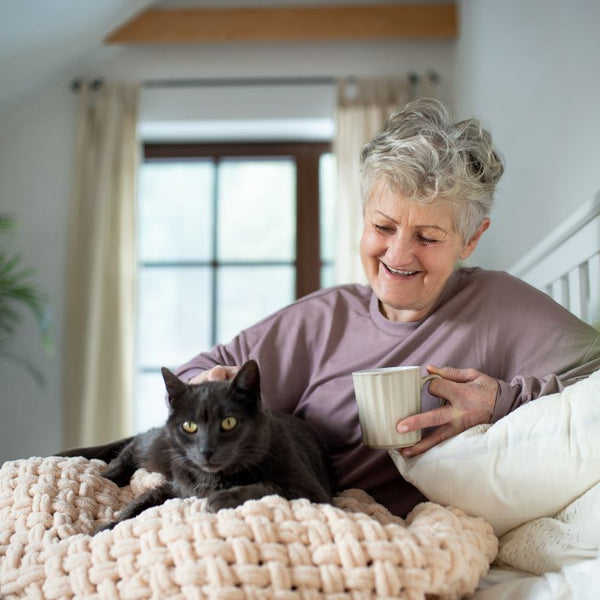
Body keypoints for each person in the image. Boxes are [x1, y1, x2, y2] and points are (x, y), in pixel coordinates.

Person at [175, 98, 600, 518]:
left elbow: (592, 379)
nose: (398, 254)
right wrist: (209, 386)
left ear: (471, 239)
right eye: (383, 226)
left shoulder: (501, 305)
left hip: (404, 530)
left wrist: (502, 402)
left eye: (428, 237)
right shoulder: (326, 317)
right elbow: (192, 376)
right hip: (304, 512)